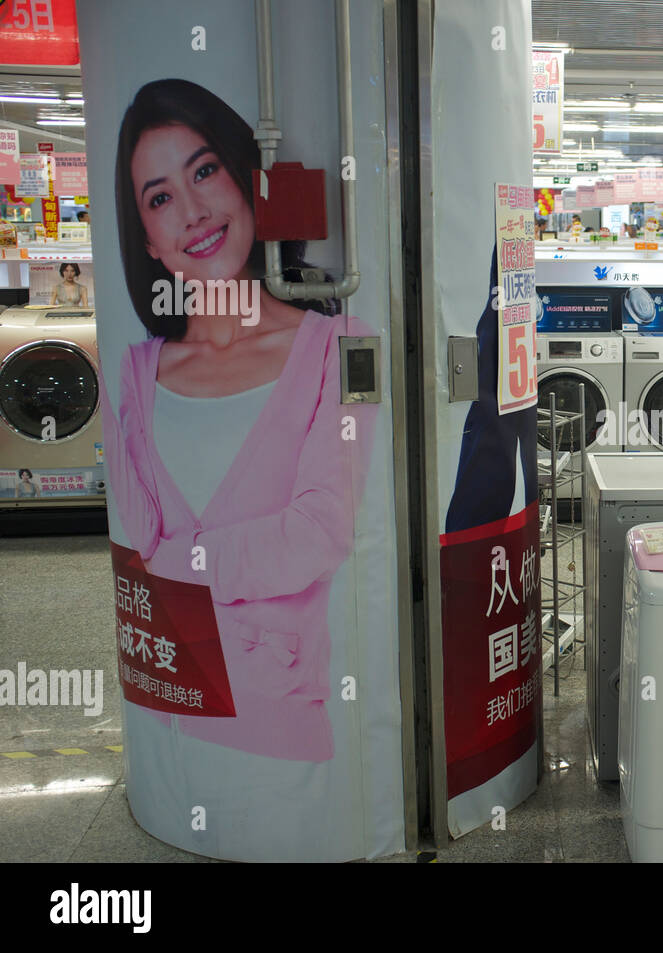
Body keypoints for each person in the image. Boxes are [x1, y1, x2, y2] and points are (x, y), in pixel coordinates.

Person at [102, 79, 380, 854]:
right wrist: (193, 567)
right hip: (168, 720)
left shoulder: (340, 347)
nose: (191, 212)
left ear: (246, 182)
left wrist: (181, 564)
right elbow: (139, 542)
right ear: (147, 239)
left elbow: (319, 530)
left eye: (203, 172)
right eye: (159, 198)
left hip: (277, 742)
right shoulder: (135, 374)